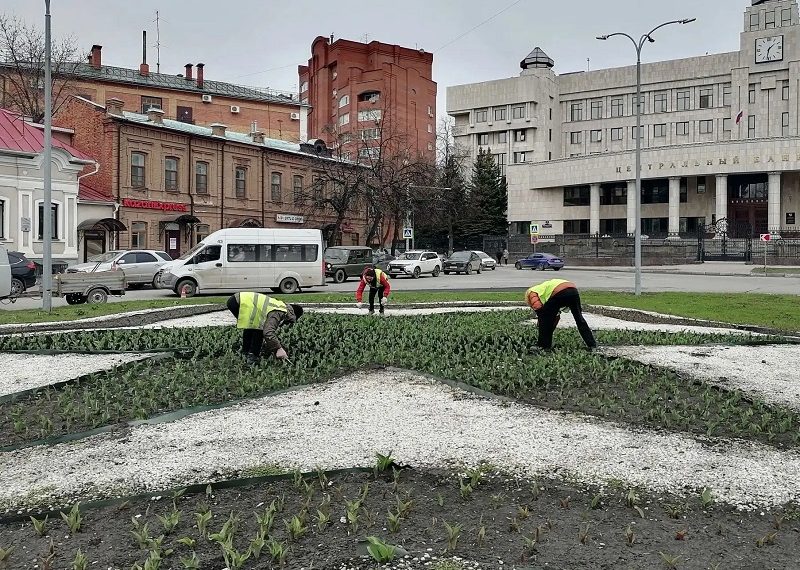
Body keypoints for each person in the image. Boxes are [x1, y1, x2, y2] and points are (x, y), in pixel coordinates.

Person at [226, 292, 303, 364]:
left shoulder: (280, 305)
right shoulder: (279, 312)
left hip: (235, 300)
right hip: (240, 302)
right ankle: (252, 356)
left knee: (251, 328)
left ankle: (246, 353)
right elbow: (268, 332)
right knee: (259, 330)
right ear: (292, 315)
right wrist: (278, 348)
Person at [525, 279, 596, 352]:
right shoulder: (544, 290)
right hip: (573, 291)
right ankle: (592, 344)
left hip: (559, 292)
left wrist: (541, 323)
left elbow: (539, 308)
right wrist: (549, 329)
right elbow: (556, 317)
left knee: (544, 319)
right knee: (579, 319)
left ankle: (543, 346)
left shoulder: (531, 292)